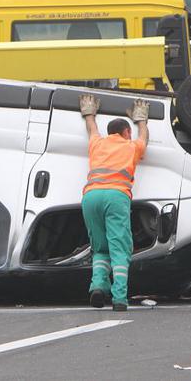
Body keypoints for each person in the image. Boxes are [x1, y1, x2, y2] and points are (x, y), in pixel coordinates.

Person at [79, 93, 149, 312]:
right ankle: (119, 298)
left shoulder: (97, 144)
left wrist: (89, 113)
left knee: (100, 248)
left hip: (91, 196)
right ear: (126, 132)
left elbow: (92, 129)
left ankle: (98, 287)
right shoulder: (130, 146)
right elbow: (143, 139)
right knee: (119, 248)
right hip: (116, 196)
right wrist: (142, 121)